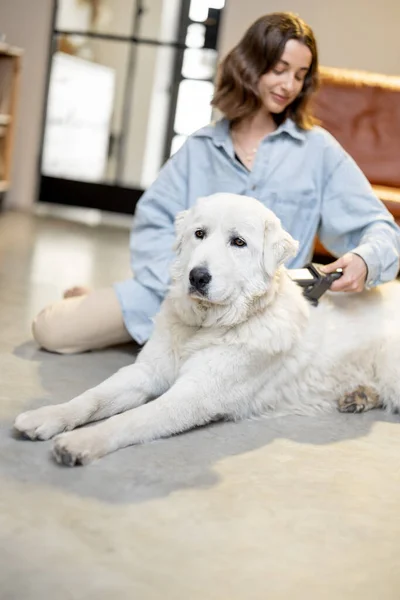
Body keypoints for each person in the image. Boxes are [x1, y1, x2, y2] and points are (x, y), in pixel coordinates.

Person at [33, 11, 400, 354]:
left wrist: (366, 261)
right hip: (181, 299)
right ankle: (104, 305)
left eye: (300, 74)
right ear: (252, 64)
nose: (288, 84)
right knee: (52, 330)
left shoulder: (318, 149)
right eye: (279, 68)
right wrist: (180, 292)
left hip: (263, 317)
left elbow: (380, 228)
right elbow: (154, 224)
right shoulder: (200, 147)